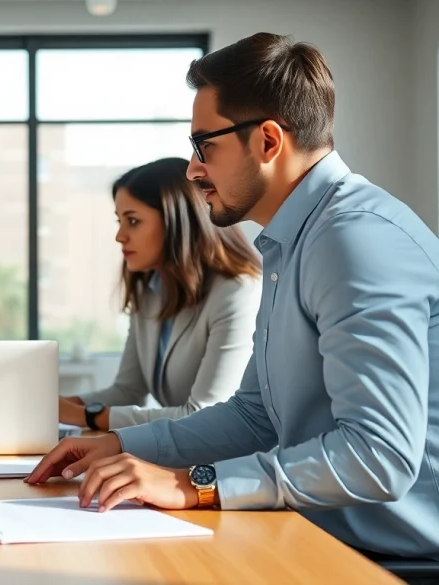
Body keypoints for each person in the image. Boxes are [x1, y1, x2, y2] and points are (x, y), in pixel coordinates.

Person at [28, 32, 439, 563]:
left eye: (205, 146)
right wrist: (122, 445)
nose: (192, 169)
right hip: (320, 533)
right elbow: (254, 417)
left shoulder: (354, 239)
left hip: (395, 560)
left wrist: (193, 483)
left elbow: (377, 456)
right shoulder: (292, 242)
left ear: (268, 141)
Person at [60, 157, 261, 432]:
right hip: (182, 449)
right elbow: (128, 390)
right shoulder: (149, 290)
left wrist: (87, 416)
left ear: (177, 221)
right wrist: (59, 406)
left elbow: (203, 414)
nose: (120, 236)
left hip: (232, 456)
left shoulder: (236, 293)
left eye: (133, 221)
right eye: (120, 221)